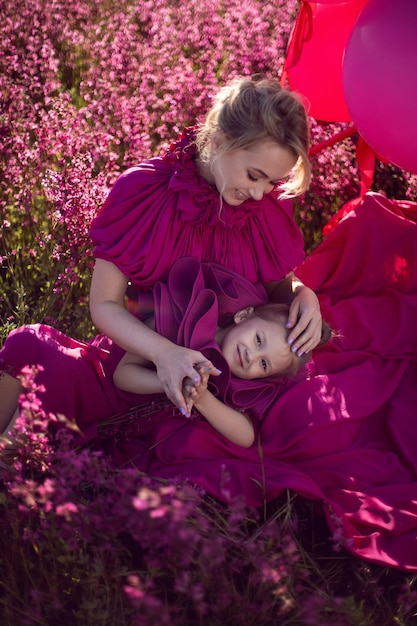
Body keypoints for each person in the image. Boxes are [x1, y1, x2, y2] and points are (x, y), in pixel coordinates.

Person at [88, 76, 323, 416]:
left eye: (273, 181)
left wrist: (303, 294)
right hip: (142, 362)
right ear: (220, 138)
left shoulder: (265, 207)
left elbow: (276, 283)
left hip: (222, 388)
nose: (259, 193)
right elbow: (104, 305)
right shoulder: (142, 192)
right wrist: (163, 353)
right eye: (254, 175)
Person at [113, 301, 332, 447]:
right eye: (258, 340)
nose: (251, 357)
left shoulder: (238, 386)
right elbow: (122, 375)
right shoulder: (180, 321)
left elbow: (246, 437)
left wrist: (203, 398)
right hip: (124, 408)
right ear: (244, 315)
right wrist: (175, 381)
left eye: (264, 364)